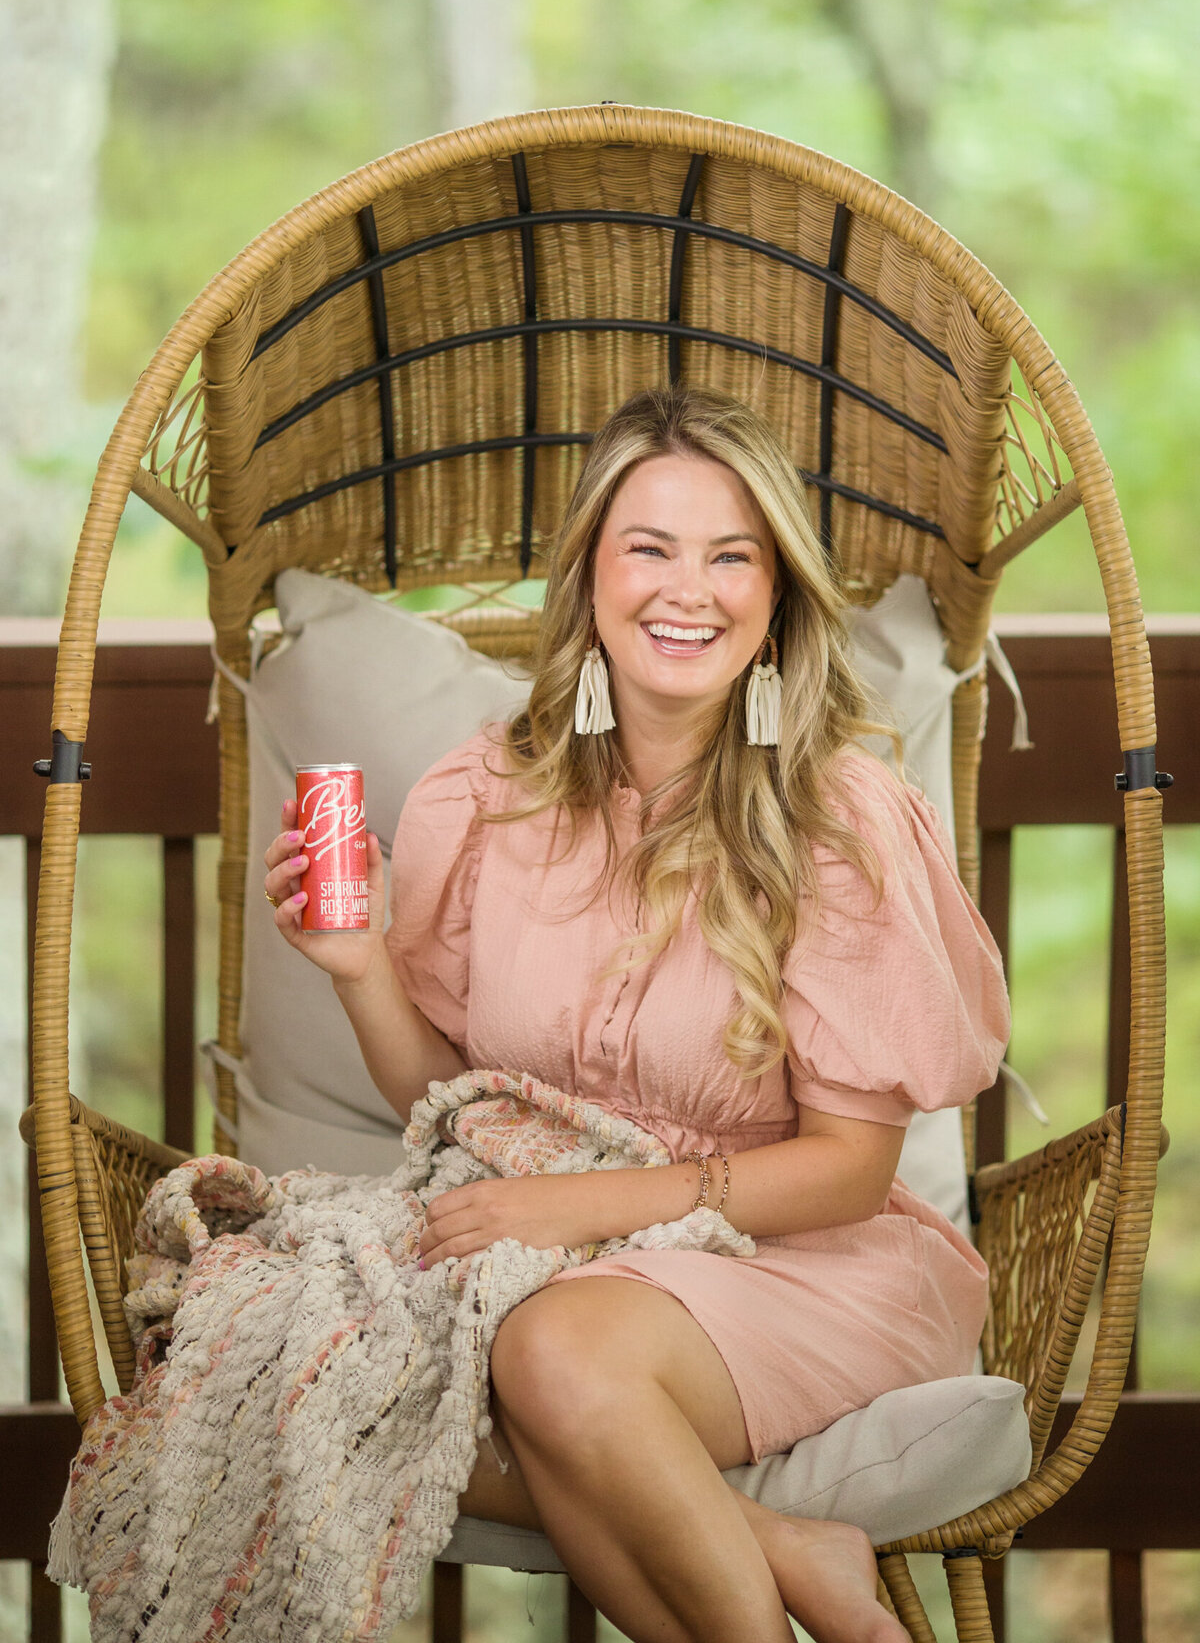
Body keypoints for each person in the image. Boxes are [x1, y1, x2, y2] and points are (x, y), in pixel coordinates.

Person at [263, 383, 1010, 1643]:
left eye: (732, 556)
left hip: (799, 1266)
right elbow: (452, 1106)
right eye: (648, 549)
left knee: (552, 1355)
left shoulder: (838, 816)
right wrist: (359, 968)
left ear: (774, 594)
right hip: (562, 1257)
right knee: (288, 1352)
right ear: (592, 580)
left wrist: (579, 1206)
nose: (688, 590)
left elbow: (845, 1172)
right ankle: (784, 1552)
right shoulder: (489, 793)